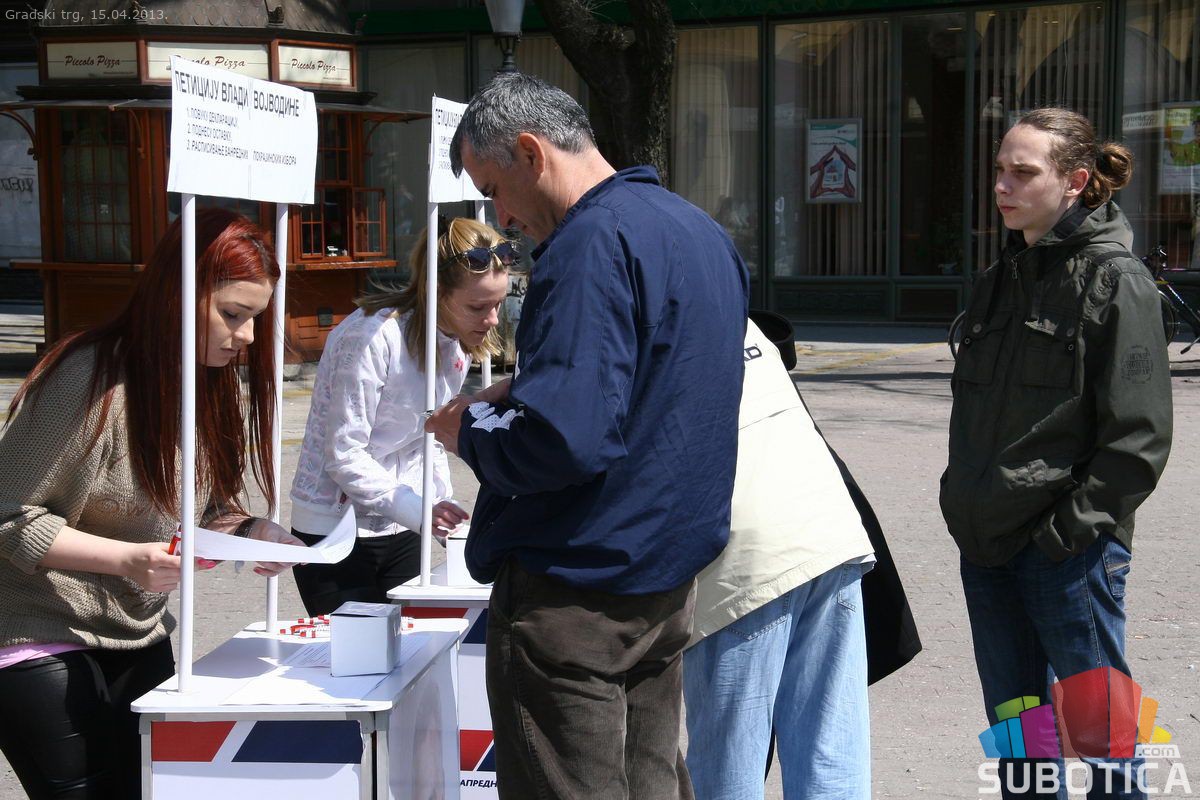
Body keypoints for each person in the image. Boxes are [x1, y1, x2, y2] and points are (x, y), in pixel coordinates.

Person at [426, 72, 749, 800]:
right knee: (651, 781)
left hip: (578, 588)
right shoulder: (696, 229)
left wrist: (468, 430)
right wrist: (532, 388)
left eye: (494, 189)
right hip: (664, 575)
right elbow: (661, 391)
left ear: (531, 152)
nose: (502, 218)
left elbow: (563, 442)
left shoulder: (588, 244)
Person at [0, 208, 305, 799]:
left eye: (255, 319)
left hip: (138, 631)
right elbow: (8, 512)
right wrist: (127, 560)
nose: (246, 336)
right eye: (232, 314)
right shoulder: (86, 376)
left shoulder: (206, 380)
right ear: (177, 294)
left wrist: (252, 530)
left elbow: (202, 508)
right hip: (35, 627)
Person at [941, 108, 1172, 799]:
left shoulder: (1116, 280)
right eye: (999, 170)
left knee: (1104, 742)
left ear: (1074, 181)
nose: (1002, 186)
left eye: (1023, 172)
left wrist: (1067, 535)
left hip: (1067, 555)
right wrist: (964, 506)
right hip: (989, 547)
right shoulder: (999, 277)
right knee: (1021, 739)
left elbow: (1138, 439)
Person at [683, 313, 877, 800]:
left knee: (728, 769)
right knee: (830, 756)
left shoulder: (626, 304)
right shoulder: (729, 304)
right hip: (827, 530)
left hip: (741, 561)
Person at [289, 216, 513, 615]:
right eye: (478, 306)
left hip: (403, 522)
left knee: (411, 644)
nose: (493, 319)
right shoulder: (372, 337)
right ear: (437, 293)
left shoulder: (456, 341)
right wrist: (419, 510)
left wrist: (440, 504)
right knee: (358, 650)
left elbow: (429, 435)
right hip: (335, 525)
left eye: (498, 303)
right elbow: (343, 453)